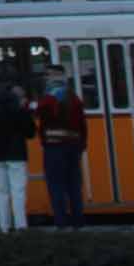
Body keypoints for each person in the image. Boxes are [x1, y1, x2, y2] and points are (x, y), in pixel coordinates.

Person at [35, 68, 89, 229]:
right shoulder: (74, 98)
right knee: (74, 185)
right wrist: (82, 144)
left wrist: (44, 141)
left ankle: (61, 221)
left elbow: (40, 118)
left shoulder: (47, 100)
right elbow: (82, 124)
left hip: (54, 148)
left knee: (56, 186)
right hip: (73, 146)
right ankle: (78, 221)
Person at [0, 81, 37, 232]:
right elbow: (31, 132)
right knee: (18, 190)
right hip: (17, 155)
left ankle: (4, 226)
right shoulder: (18, 110)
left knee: (2, 192)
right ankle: (21, 225)